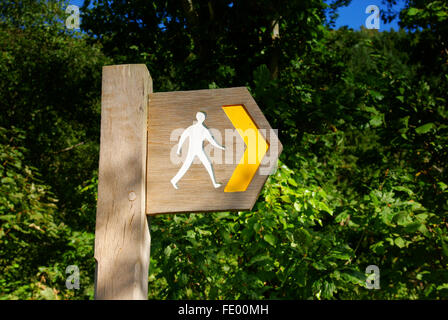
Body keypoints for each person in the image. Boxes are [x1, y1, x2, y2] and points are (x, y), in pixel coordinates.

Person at [171, 112, 225, 189]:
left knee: (208, 165)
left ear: (203, 119)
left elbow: (212, 141)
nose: (201, 118)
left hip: (199, 150)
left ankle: (214, 183)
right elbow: (183, 137)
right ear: (198, 117)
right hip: (192, 150)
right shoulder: (193, 128)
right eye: (200, 117)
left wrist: (220, 147)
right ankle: (174, 181)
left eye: (202, 117)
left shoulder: (203, 130)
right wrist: (178, 149)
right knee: (186, 166)